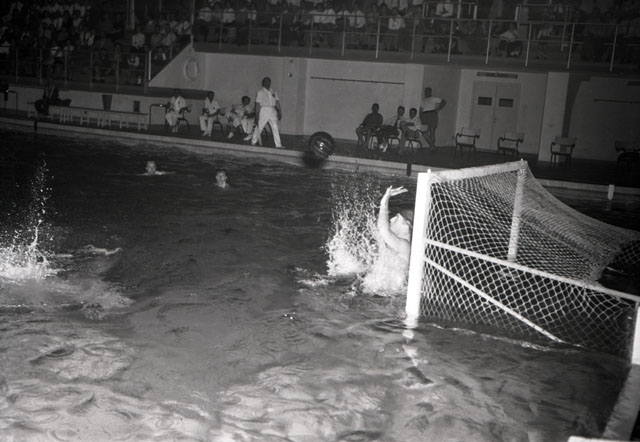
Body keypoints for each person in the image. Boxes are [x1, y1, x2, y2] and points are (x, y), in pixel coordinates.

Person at [363, 186, 413, 294]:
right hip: (380, 291)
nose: (391, 219)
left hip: (385, 295)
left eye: (397, 218)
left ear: (406, 225)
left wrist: (384, 201)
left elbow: (383, 228)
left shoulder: (404, 245)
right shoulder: (395, 243)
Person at [250, 77, 283, 148]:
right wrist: (257, 115)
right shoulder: (260, 92)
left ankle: (278, 145)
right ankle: (253, 141)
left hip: (272, 110)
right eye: (265, 81)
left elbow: (277, 102)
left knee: (275, 127)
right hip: (264, 110)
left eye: (268, 81)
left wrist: (279, 111)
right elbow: (257, 104)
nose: (267, 83)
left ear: (270, 82)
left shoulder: (273, 91)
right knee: (260, 126)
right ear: (263, 83)